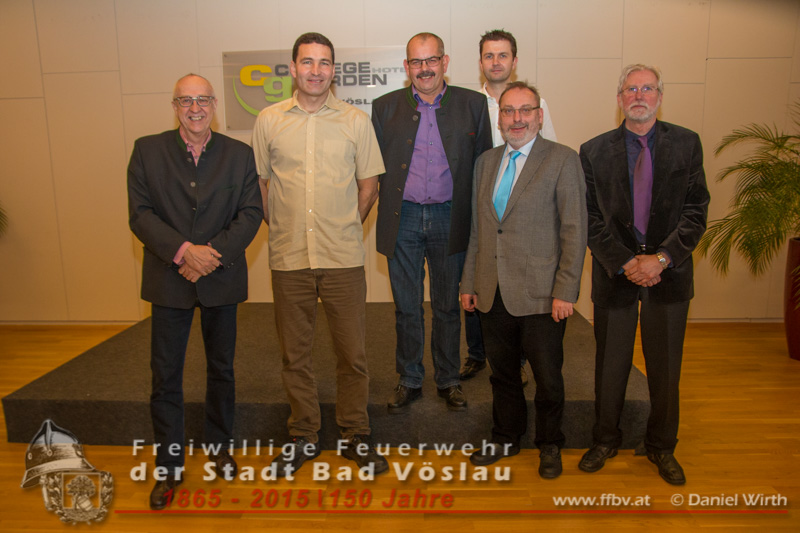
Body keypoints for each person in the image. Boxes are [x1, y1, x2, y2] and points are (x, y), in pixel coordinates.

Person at [252, 33, 388, 477]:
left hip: (342, 257)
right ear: (293, 68)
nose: (316, 71)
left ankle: (355, 435)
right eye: (307, 62)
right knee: (295, 356)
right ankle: (303, 436)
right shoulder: (269, 120)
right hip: (288, 258)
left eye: (324, 62)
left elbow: (369, 185)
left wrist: (347, 224)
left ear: (334, 70)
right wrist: (282, 227)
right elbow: (262, 185)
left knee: (352, 355)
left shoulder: (355, 121)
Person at [127, 74, 263, 509]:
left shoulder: (239, 154)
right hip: (170, 278)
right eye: (186, 101)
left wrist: (210, 256)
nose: (195, 108)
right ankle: (169, 467)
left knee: (222, 370)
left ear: (215, 104)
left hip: (221, 277)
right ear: (174, 107)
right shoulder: (147, 151)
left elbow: (251, 213)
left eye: (203, 99)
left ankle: (220, 449)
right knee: (165, 376)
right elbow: (140, 215)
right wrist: (185, 252)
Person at [578, 64, 709, 485]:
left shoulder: (687, 144)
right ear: (619, 99)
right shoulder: (593, 151)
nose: (639, 95)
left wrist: (661, 259)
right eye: (631, 89)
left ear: (660, 97)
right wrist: (627, 262)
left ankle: (662, 446)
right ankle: (605, 440)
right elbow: (589, 218)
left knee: (665, 369)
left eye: (647, 88)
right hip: (615, 275)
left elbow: (696, 211)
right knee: (610, 367)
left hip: (669, 276)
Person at [461, 81, 586, 479]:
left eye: (525, 110)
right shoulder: (486, 163)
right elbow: (479, 230)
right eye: (508, 111)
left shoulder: (563, 160)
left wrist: (566, 290)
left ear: (539, 116)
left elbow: (574, 231)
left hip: (542, 294)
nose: (517, 119)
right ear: (499, 119)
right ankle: (505, 437)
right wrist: (469, 282)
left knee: (548, 377)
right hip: (492, 290)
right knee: (502, 374)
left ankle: (549, 444)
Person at [372, 32, 493, 413]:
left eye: (431, 60)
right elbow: (372, 170)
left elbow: (485, 167)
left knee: (446, 306)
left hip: (450, 216)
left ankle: (447, 379)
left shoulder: (473, 105)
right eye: (416, 62)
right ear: (406, 66)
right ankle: (409, 378)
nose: (424, 69)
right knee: (407, 307)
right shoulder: (384, 107)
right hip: (402, 217)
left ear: (445, 61)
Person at [461, 29, 559, 384]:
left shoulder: (536, 102)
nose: (496, 62)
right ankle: (479, 354)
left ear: (514, 61)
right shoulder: (470, 104)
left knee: (516, 289)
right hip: (483, 204)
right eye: (489, 55)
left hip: (522, 214)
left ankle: (519, 358)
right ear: (481, 62)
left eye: (503, 55)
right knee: (480, 284)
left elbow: (550, 157)